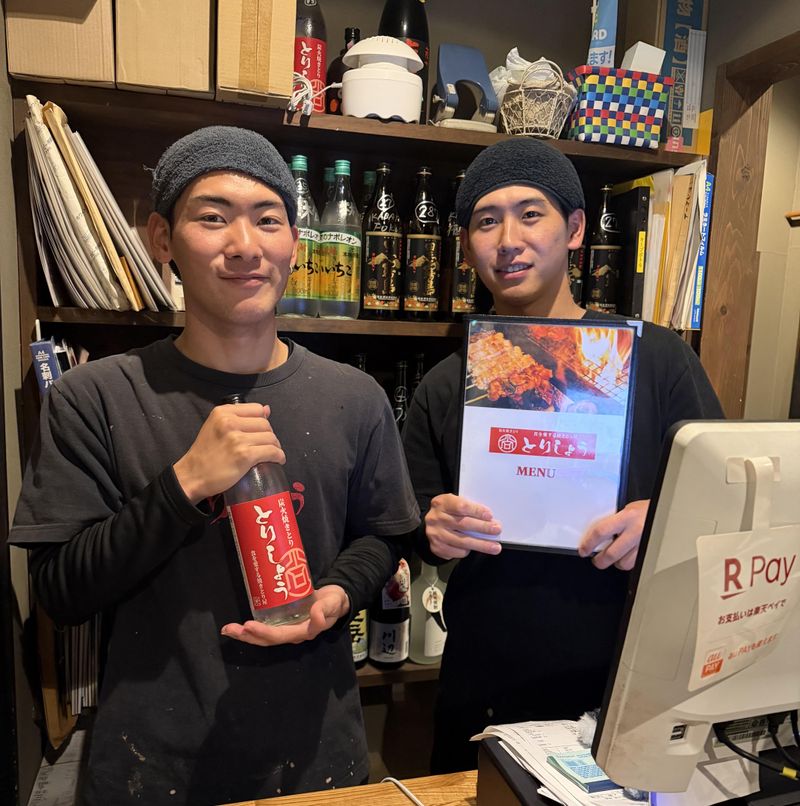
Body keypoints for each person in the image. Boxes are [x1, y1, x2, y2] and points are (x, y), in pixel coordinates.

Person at [9, 126, 420, 805]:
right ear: (162, 240)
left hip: (317, 758)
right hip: (151, 767)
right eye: (212, 217)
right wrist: (185, 484)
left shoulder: (354, 397)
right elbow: (61, 592)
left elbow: (383, 535)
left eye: (268, 220)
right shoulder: (96, 396)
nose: (245, 245)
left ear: (295, 243)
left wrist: (335, 596)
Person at [401, 137, 724, 773]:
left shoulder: (656, 360)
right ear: (466, 245)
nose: (508, 240)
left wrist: (663, 519)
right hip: (487, 679)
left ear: (575, 229)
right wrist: (430, 528)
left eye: (531, 214)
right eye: (486, 221)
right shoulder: (447, 382)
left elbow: (728, 499)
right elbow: (410, 516)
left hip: (631, 681)